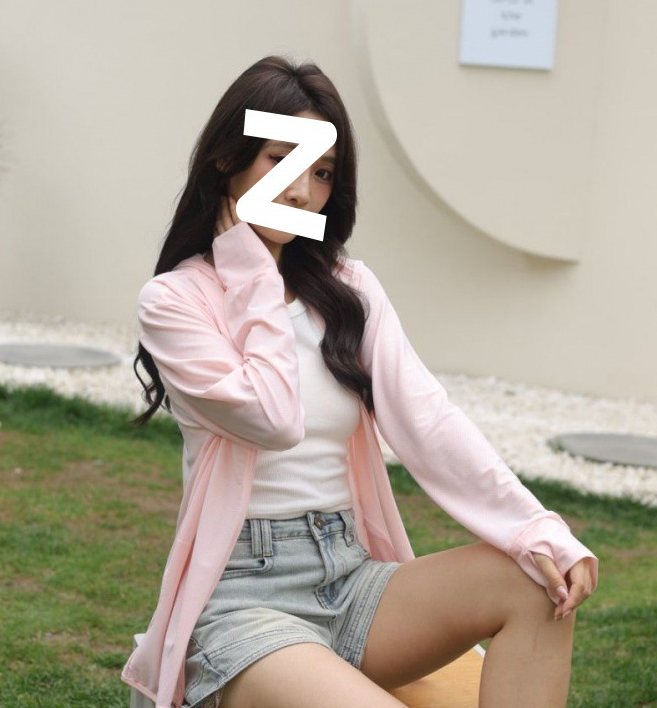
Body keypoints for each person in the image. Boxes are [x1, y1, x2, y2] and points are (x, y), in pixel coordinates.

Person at [123, 54, 599, 708]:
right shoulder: (176, 303)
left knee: (535, 583)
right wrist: (253, 276)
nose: (300, 192)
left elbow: (428, 420)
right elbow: (273, 419)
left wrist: (536, 527)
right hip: (244, 601)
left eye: (321, 172)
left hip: (349, 578)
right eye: (280, 161)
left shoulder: (348, 289)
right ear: (227, 160)